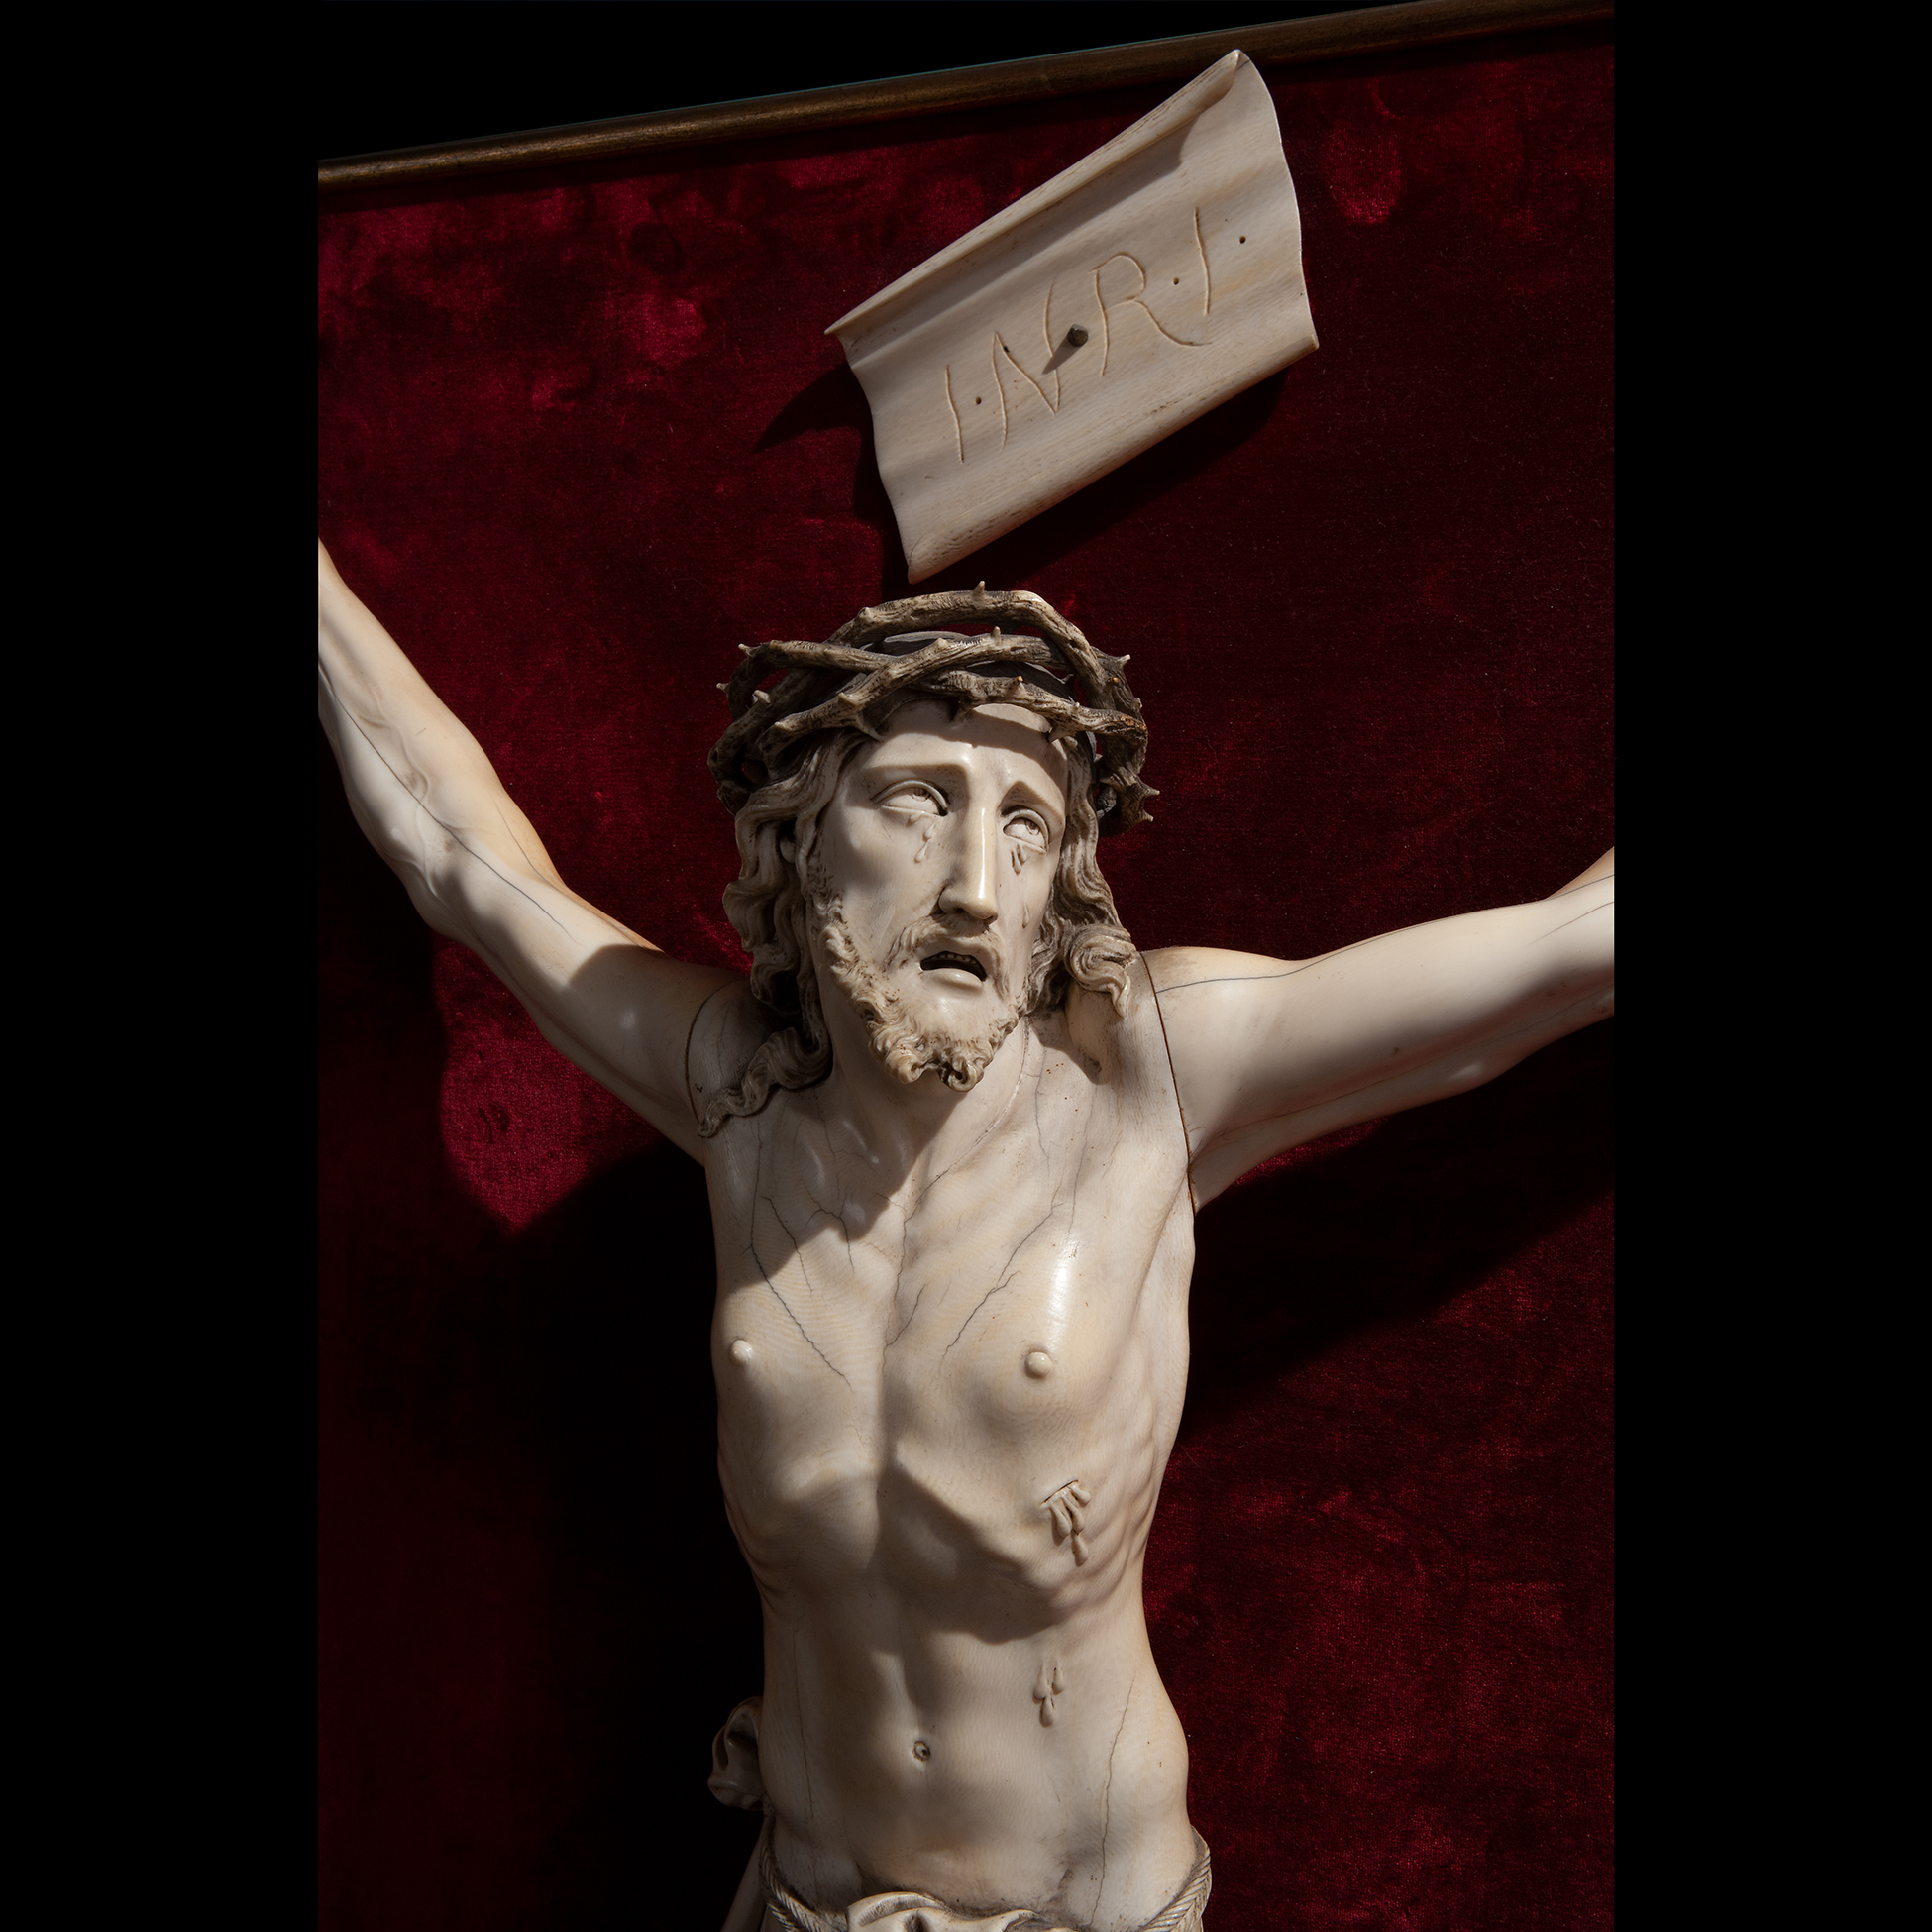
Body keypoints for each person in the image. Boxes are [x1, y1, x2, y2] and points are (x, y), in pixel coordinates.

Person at [318, 541, 1613, 1932]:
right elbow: (454, 851)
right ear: (804, 839)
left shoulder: (1143, 1079)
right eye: (919, 802)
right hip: (806, 1898)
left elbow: (1563, 953)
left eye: (1026, 827)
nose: (976, 888)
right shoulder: (738, 1094)